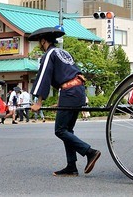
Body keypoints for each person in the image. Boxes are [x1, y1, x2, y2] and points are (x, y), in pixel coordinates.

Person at [29, 27, 101, 177]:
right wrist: (62, 101)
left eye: (39, 43)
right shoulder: (64, 52)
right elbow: (70, 73)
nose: (40, 46)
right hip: (77, 91)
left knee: (60, 130)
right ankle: (71, 166)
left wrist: (39, 102)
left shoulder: (49, 54)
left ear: (43, 41)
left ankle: (90, 152)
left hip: (70, 92)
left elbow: (44, 76)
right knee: (67, 130)